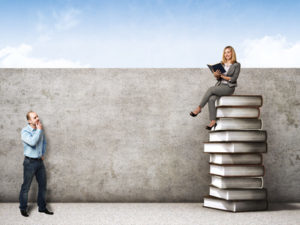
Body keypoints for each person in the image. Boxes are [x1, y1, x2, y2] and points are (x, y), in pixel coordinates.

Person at [190, 46, 241, 129]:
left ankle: (199, 108)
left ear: (232, 53)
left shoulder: (236, 65)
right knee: (211, 99)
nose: (226, 54)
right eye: (225, 52)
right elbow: (219, 78)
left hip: (229, 87)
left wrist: (222, 76)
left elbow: (233, 79)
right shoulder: (222, 64)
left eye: (228, 52)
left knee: (211, 89)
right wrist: (216, 75)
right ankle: (213, 121)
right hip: (220, 86)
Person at [19, 111, 54, 217]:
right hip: (29, 162)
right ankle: (23, 208)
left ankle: (42, 208)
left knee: (43, 186)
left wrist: (42, 153)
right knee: (26, 187)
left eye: (37, 116)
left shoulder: (39, 130)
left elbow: (43, 142)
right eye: (34, 117)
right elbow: (33, 142)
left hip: (39, 162)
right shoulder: (25, 131)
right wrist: (39, 131)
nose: (37, 118)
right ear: (29, 121)